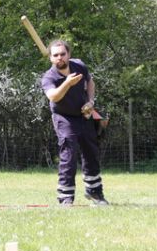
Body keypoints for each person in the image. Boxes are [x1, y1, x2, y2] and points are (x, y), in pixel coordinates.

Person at [41, 39, 109, 206]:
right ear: (50, 58)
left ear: (68, 54)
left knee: (91, 153)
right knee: (69, 156)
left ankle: (95, 193)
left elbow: (90, 82)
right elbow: (53, 97)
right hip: (64, 118)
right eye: (55, 55)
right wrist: (67, 83)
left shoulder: (79, 65)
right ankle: (65, 198)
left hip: (84, 115)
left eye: (62, 54)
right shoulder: (49, 77)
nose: (60, 58)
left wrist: (91, 101)